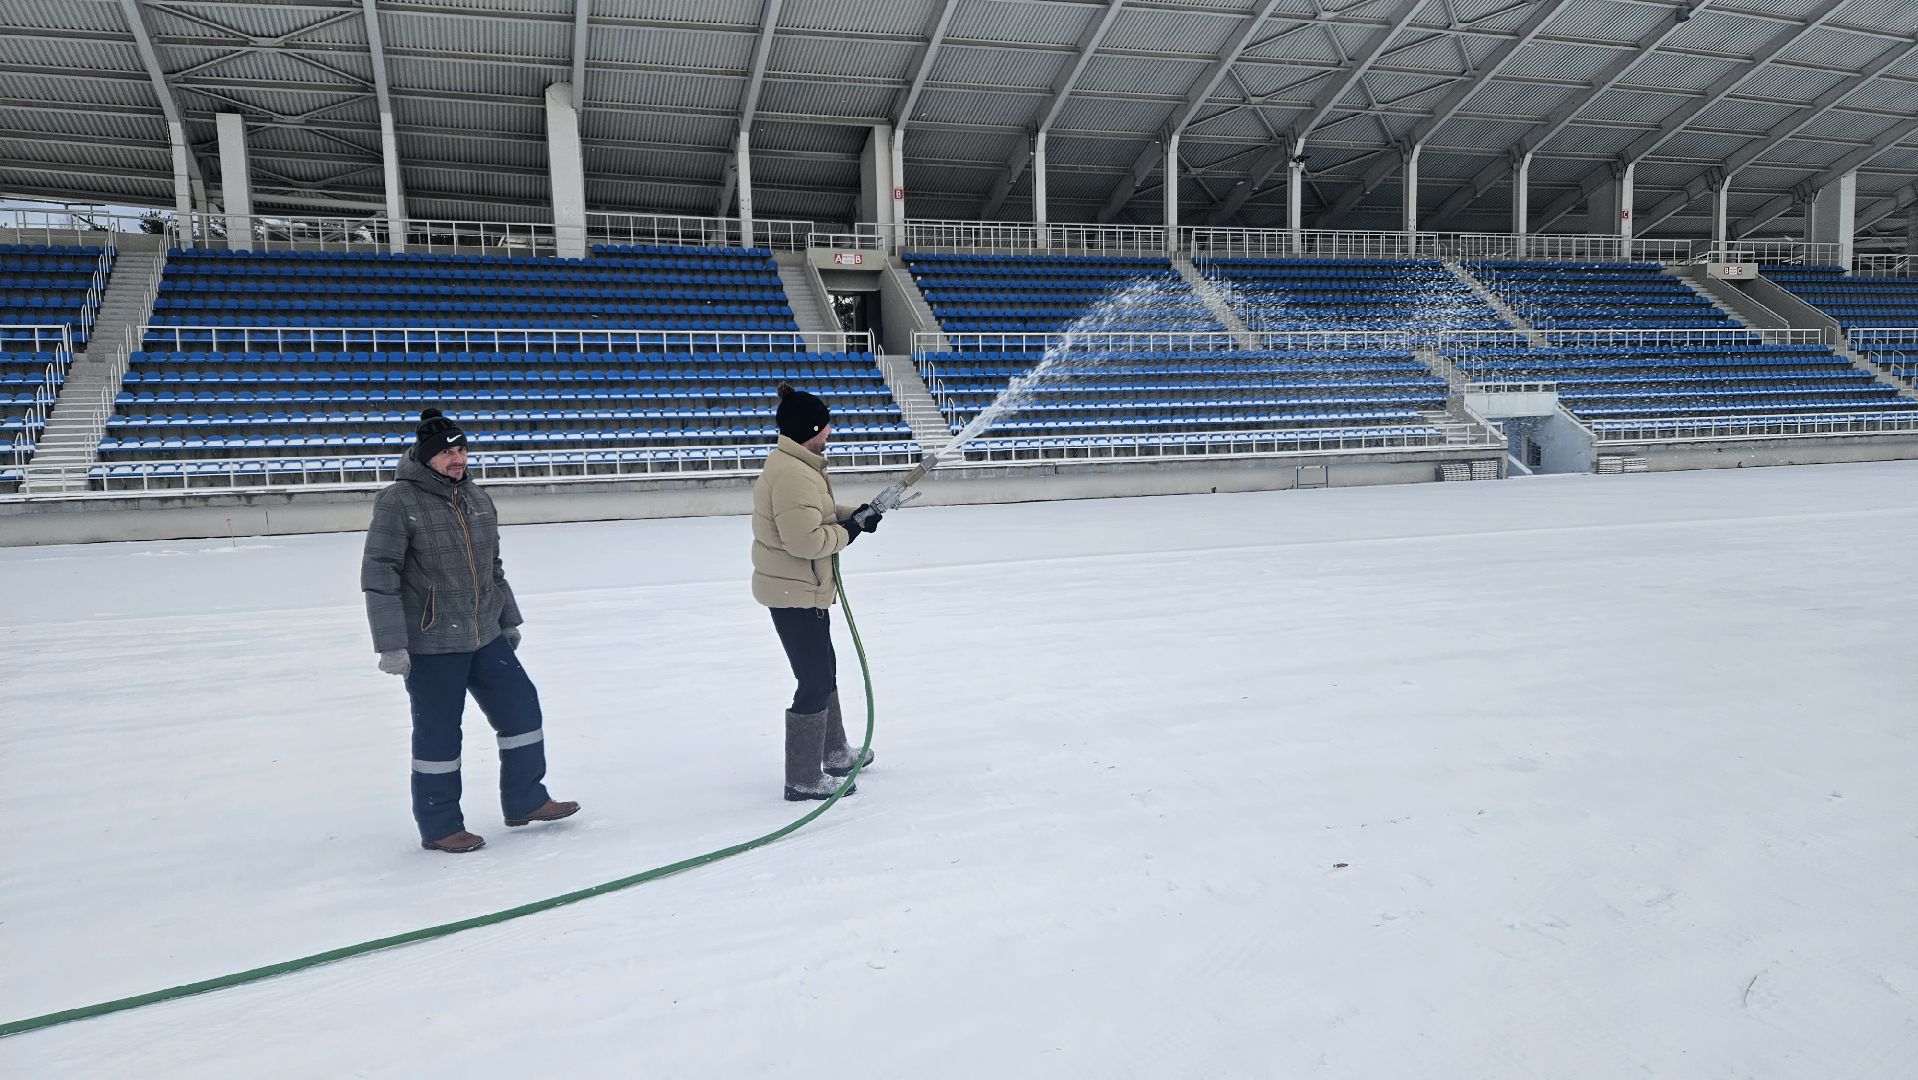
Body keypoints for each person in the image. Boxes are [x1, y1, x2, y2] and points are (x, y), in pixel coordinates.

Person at [361, 409, 579, 853]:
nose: (456, 458)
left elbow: (492, 567)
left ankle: (527, 799)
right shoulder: (397, 501)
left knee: (521, 711)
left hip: (485, 633)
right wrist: (391, 645)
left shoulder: (478, 497)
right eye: (446, 452)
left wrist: (508, 619)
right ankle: (440, 825)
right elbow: (379, 574)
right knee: (439, 734)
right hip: (431, 641)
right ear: (425, 458)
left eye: (460, 449)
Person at [752, 386, 882, 801]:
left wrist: (853, 514)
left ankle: (835, 752)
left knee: (824, 668)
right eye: (826, 425)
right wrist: (851, 531)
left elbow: (816, 513)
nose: (831, 431)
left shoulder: (799, 464)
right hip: (793, 590)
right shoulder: (793, 474)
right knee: (813, 679)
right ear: (810, 430)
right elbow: (805, 541)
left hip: (802, 587)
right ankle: (803, 777)